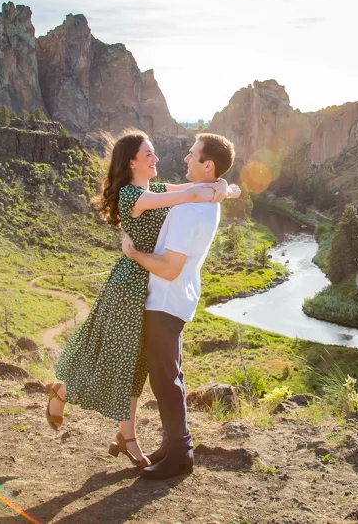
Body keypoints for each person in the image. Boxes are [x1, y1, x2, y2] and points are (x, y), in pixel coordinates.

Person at [45, 129, 239, 468]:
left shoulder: (156, 189)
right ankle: (63, 392)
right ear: (132, 162)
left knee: (135, 367)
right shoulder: (132, 196)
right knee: (114, 363)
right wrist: (216, 188)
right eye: (149, 154)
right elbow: (192, 194)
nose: (157, 158)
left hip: (147, 286)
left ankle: (127, 437)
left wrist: (221, 186)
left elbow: (194, 190)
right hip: (129, 286)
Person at [120, 132, 235, 479]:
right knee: (172, 375)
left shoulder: (189, 212)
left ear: (207, 164)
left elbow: (170, 268)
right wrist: (223, 187)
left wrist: (134, 254)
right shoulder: (206, 201)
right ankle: (173, 445)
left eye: (191, 155)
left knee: (166, 380)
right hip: (178, 298)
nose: (185, 159)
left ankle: (181, 453)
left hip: (165, 300)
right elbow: (179, 192)